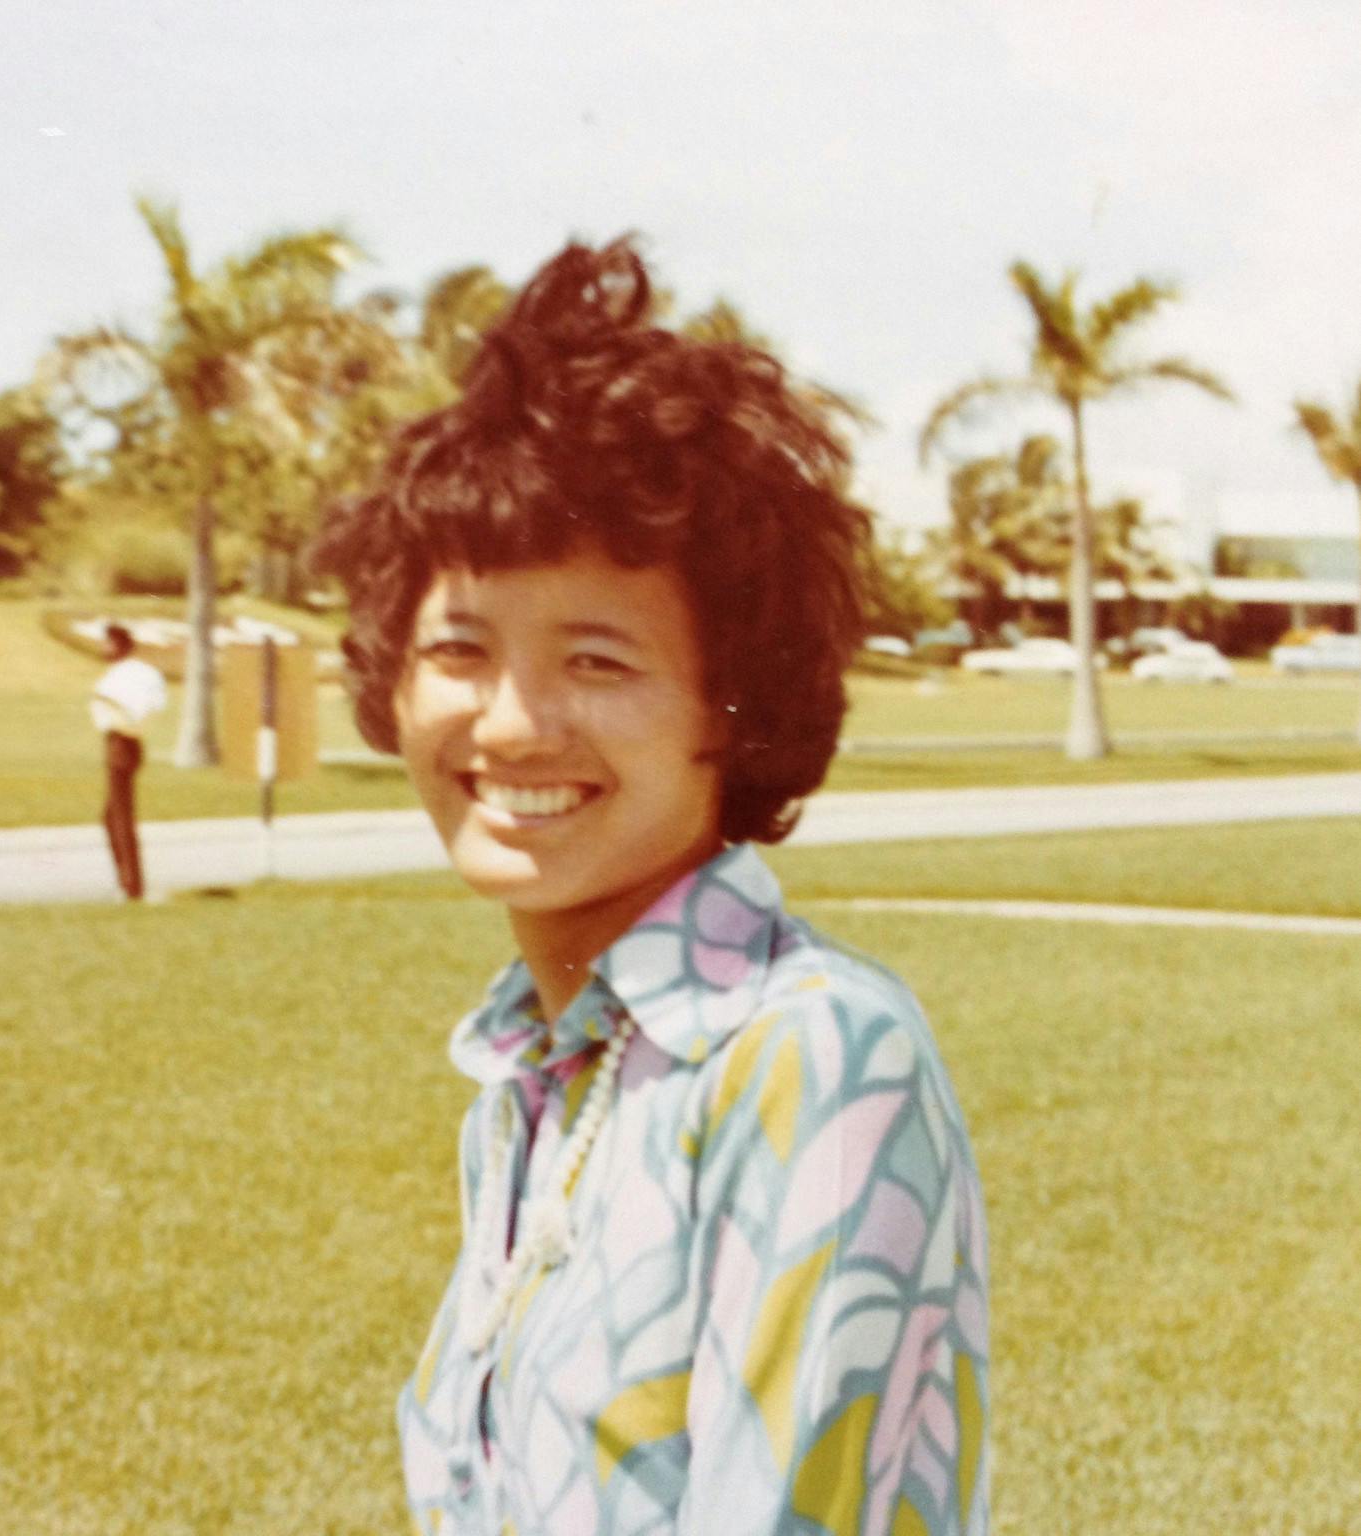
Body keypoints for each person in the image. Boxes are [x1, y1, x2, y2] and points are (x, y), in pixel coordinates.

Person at [316, 239, 988, 1534]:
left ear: (731, 710)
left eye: (597, 661)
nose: (511, 725)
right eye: (458, 650)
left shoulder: (805, 1057)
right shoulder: (542, 1072)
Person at [90, 622, 166, 902]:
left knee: (120, 817)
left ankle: (131, 886)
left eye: (107, 642)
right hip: (130, 745)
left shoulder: (119, 677)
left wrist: (122, 721)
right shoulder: (142, 673)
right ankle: (127, 881)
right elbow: (156, 704)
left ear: (118, 645)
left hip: (119, 744)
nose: (103, 648)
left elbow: (116, 711)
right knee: (112, 817)